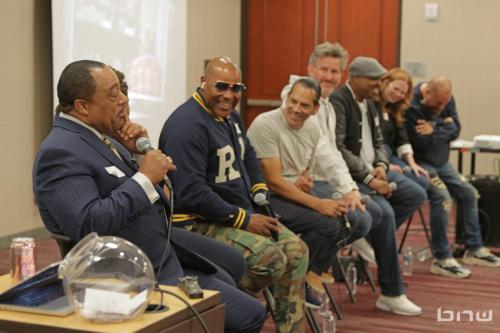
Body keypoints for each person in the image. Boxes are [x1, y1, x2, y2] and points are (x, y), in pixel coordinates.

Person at [33, 60, 266, 333]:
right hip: (129, 274)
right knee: (249, 315)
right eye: (113, 94)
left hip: (161, 250)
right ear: (83, 106)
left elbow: (157, 197)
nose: (123, 100)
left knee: (231, 271)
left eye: (121, 91)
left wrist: (137, 155)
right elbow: (88, 224)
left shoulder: (103, 136)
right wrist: (143, 177)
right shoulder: (60, 151)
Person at [159, 57, 308, 333]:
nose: (229, 95)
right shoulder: (187, 125)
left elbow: (248, 155)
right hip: (197, 222)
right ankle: (224, 306)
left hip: (236, 213)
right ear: (203, 83)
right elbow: (190, 193)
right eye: (221, 86)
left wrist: (259, 191)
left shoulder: (230, 117)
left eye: (236, 87)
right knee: (271, 259)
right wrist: (243, 220)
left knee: (297, 250)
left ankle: (291, 328)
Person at [300, 44, 422, 315]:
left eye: (335, 71)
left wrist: (378, 166)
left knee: (410, 195)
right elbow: (331, 153)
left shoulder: (331, 103)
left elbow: (370, 142)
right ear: (310, 69)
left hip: (341, 176)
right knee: (375, 215)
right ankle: (306, 272)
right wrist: (359, 182)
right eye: (324, 70)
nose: (330, 76)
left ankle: (384, 279)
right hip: (309, 182)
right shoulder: (309, 100)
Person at [247, 78, 362, 299]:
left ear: (315, 108)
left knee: (349, 220)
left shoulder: (312, 128)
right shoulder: (266, 124)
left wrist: (306, 180)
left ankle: (307, 273)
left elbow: (304, 169)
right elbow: (273, 181)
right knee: (327, 224)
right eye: (293, 101)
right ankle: (289, 279)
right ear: (287, 98)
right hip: (264, 196)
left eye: (304, 105)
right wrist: (319, 204)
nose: (296, 109)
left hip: (290, 192)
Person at [405, 76, 500, 278]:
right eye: (438, 103)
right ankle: (442, 258)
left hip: (442, 162)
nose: (442, 106)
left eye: (445, 104)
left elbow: (456, 129)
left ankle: (473, 248)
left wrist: (435, 127)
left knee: (470, 193)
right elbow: (421, 142)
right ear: (427, 93)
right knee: (443, 199)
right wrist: (444, 126)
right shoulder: (411, 104)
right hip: (420, 164)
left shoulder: (445, 98)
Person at [376, 68, 429, 193]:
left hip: (390, 154)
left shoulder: (394, 109)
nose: (398, 95)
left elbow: (402, 138)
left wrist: (412, 163)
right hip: (377, 156)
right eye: (396, 89)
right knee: (412, 190)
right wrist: (385, 165)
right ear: (385, 83)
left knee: (422, 180)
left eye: (403, 93)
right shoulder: (372, 105)